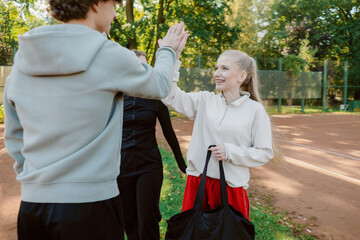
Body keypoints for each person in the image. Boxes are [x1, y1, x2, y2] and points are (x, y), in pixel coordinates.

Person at [3, 0, 187, 239]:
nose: (115, 12)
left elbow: (14, 136)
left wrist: (35, 182)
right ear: (97, 4)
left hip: (32, 205)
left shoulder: (24, 58)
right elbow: (160, 85)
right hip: (90, 205)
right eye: (114, 4)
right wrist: (168, 49)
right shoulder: (107, 54)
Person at [162, 49, 283, 221]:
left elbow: (264, 152)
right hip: (198, 183)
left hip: (231, 189)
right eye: (216, 68)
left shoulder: (255, 110)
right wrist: (174, 59)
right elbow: (170, 96)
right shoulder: (204, 100)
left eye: (224, 68)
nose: (217, 73)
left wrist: (230, 152)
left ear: (241, 76)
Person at [118, 50, 187, 240]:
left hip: (148, 165)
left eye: (145, 66)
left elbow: (169, 132)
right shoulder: (114, 96)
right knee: (129, 220)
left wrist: (182, 164)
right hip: (121, 166)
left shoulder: (155, 97)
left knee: (147, 220)